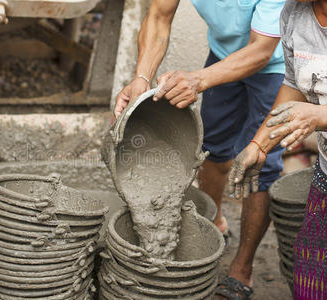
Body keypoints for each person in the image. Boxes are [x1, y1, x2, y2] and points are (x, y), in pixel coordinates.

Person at [114, 0, 286, 298]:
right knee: (212, 147)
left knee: (261, 164)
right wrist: (142, 78)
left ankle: (242, 269)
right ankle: (215, 221)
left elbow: (261, 50)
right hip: (223, 54)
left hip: (275, 64)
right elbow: (158, 15)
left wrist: (198, 80)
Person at [230, 0, 327, 299]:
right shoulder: (293, 14)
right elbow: (294, 84)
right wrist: (260, 144)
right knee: (312, 280)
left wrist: (318, 116)